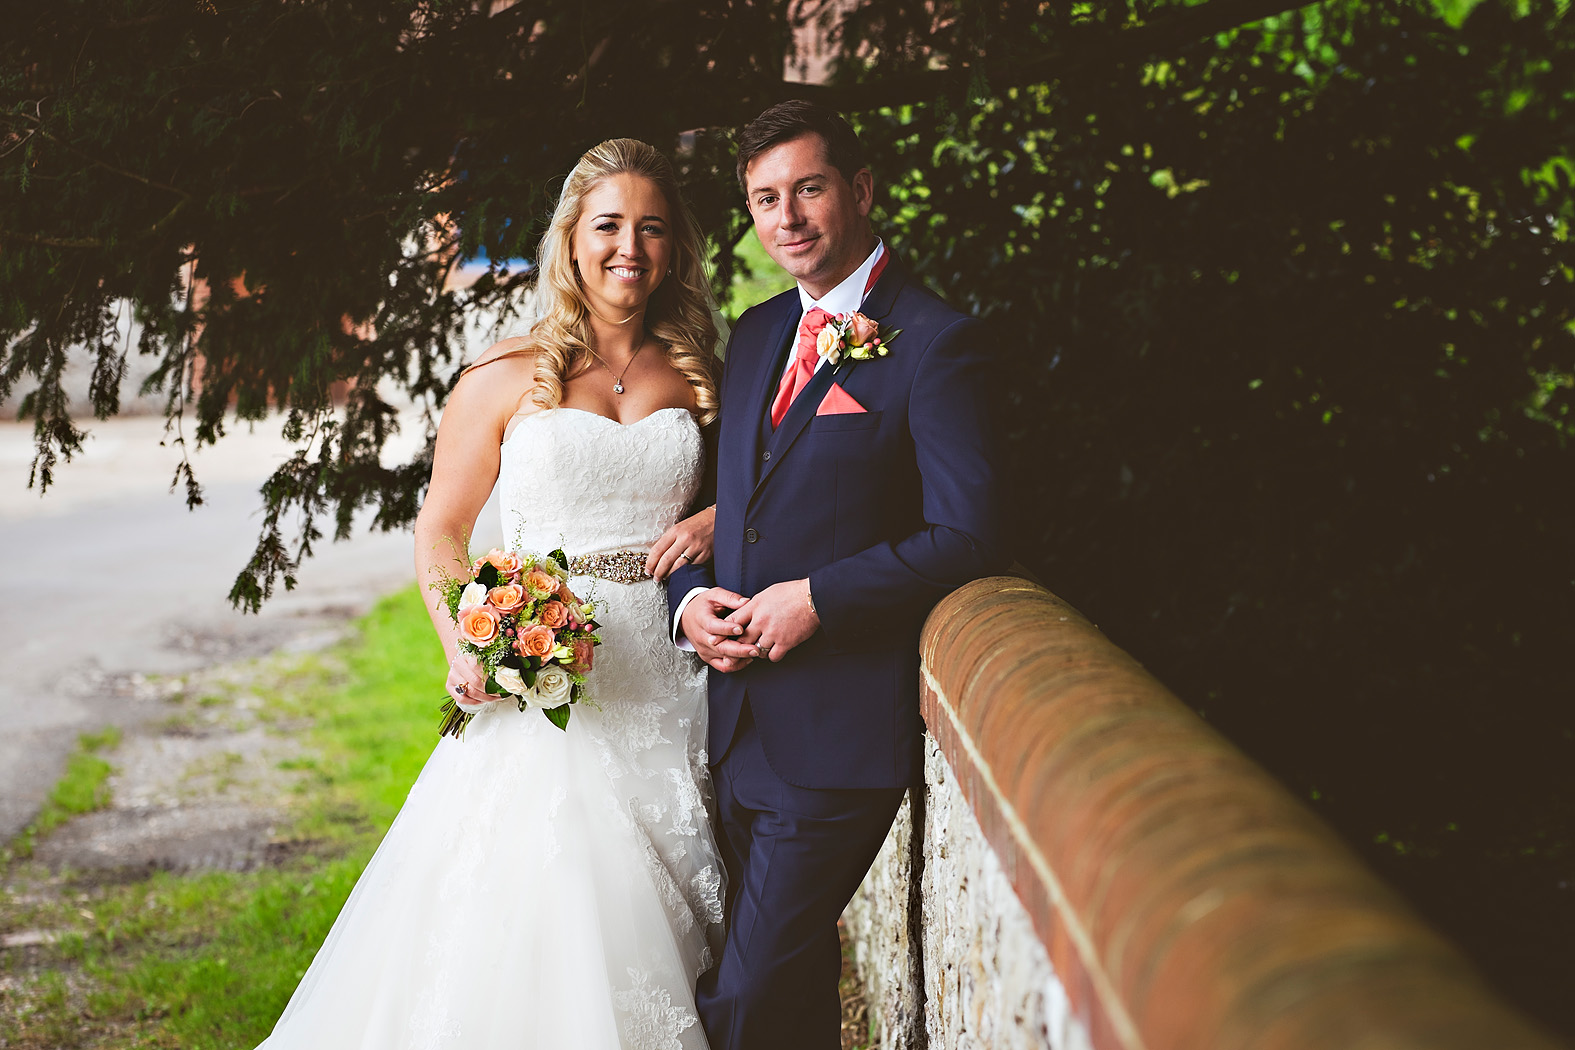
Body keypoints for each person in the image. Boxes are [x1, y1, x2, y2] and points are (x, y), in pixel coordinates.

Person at [258, 138, 726, 1050]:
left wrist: (712, 523)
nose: (629, 245)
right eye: (608, 224)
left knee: (673, 924)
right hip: (550, 681)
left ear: (674, 249)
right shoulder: (503, 373)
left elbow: (750, 502)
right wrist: (466, 641)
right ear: (569, 239)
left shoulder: (702, 375)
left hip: (671, 681)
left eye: (651, 228)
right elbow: (441, 527)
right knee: (548, 911)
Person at [668, 101, 1006, 1050]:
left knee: (736, 1004)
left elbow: (970, 535)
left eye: (807, 189)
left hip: (836, 742)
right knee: (789, 1002)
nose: (787, 218)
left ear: (858, 190)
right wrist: (687, 603)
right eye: (764, 199)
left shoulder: (937, 343)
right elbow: (712, 517)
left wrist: (819, 598)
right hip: (735, 730)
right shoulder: (756, 332)